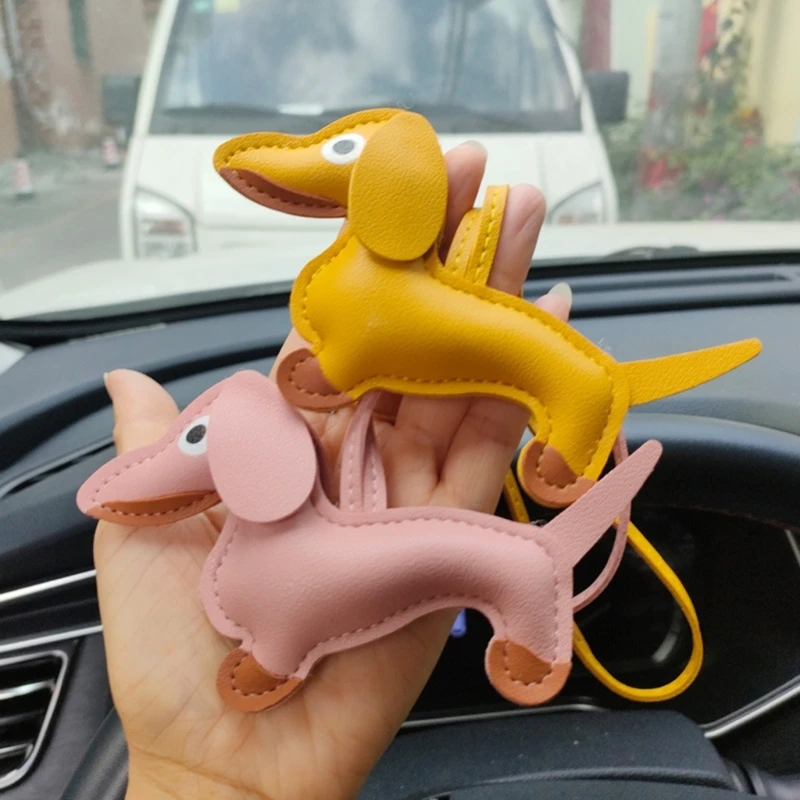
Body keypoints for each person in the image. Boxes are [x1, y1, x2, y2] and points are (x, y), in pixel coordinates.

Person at [96, 141, 572, 800]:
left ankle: (531, 609)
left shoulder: (267, 559)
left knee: (506, 561)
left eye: (198, 438)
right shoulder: (256, 562)